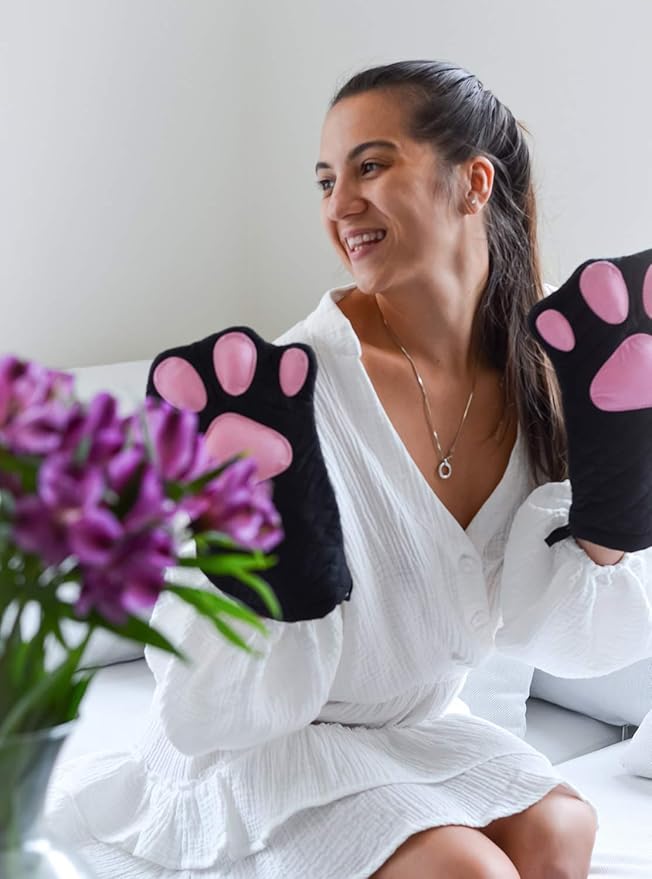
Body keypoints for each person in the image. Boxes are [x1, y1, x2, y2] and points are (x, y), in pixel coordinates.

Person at [46, 60, 652, 879]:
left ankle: (616, 503)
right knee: (466, 871)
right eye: (327, 180)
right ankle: (279, 575)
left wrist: (612, 508)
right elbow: (195, 700)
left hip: (413, 725)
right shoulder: (287, 388)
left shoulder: (551, 366)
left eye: (370, 166)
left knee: (562, 830)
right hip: (267, 741)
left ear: (474, 183)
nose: (339, 205)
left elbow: (557, 639)